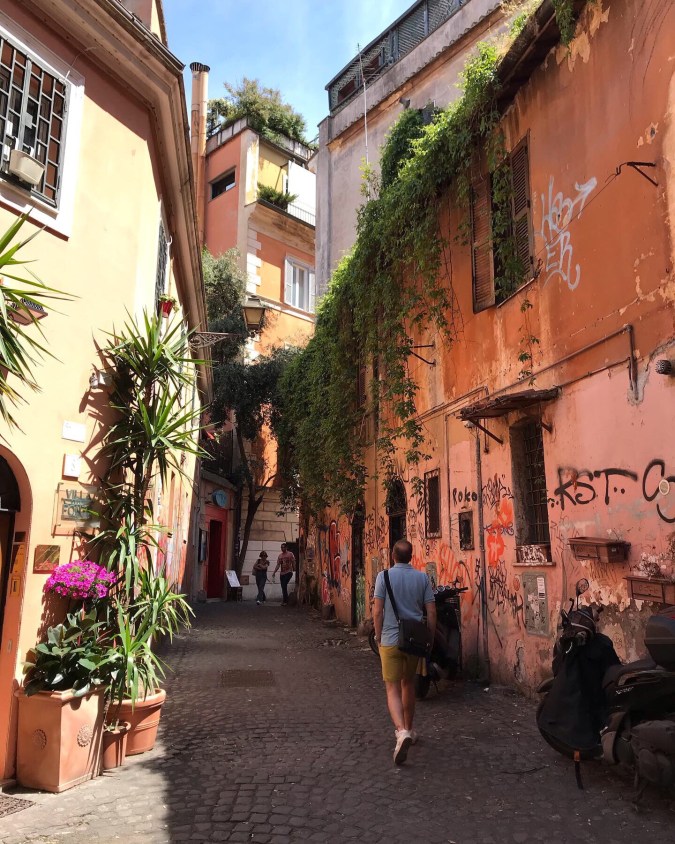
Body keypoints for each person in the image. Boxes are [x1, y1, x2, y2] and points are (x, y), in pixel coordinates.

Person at [373, 539, 436, 765]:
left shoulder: (383, 577)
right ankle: (409, 729)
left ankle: (401, 732)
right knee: (408, 684)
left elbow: (377, 611)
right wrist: (429, 639)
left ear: (393, 555)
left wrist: (378, 636)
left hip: (390, 639)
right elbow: (431, 611)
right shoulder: (422, 578)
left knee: (392, 688)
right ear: (411, 556)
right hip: (413, 641)